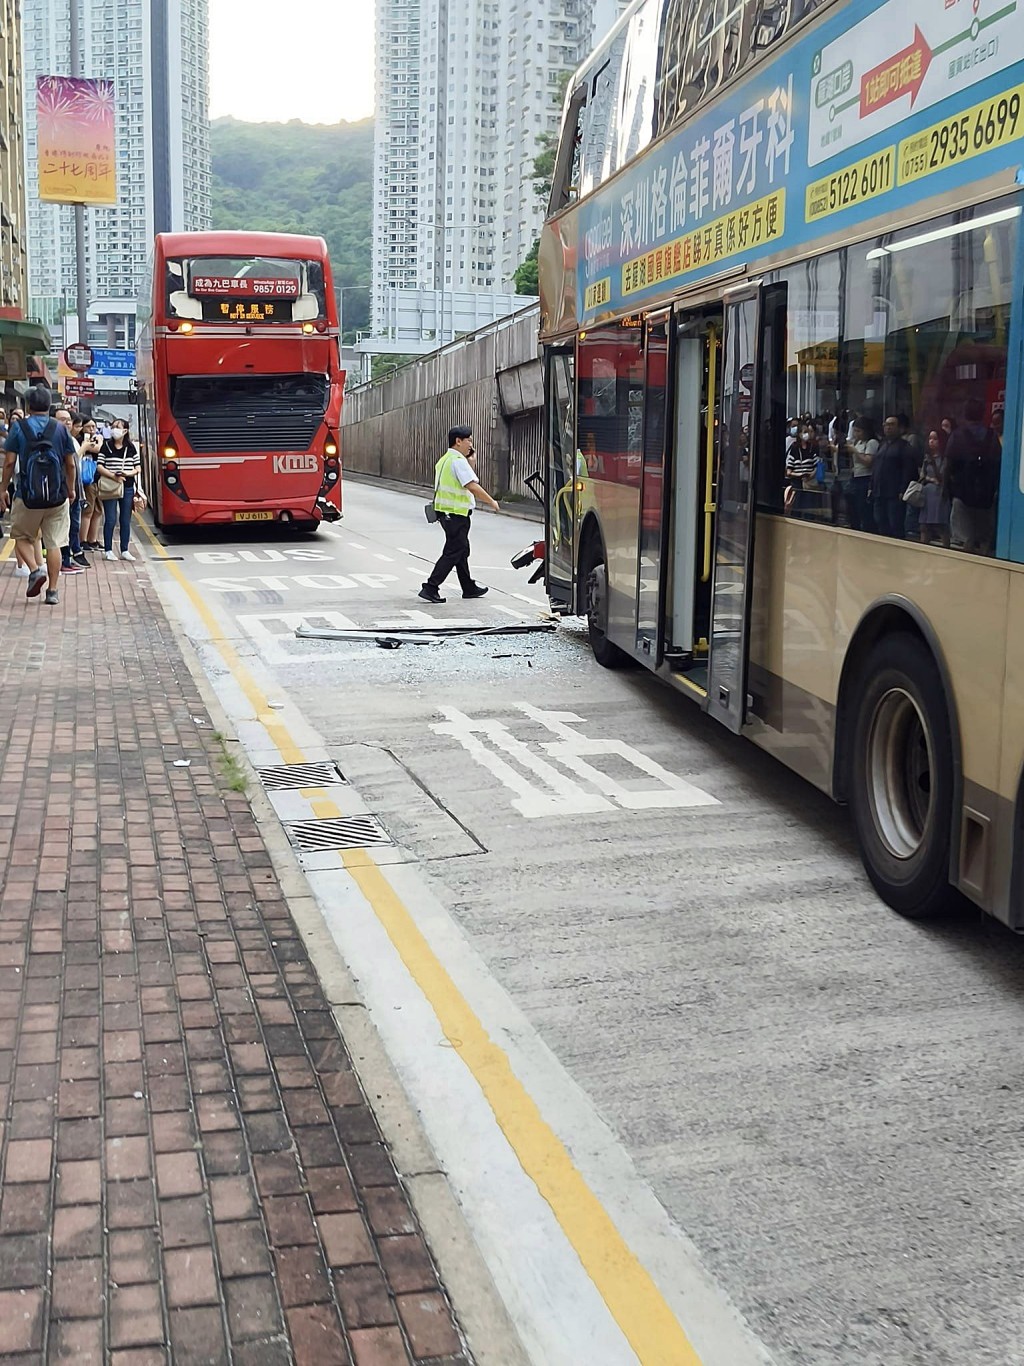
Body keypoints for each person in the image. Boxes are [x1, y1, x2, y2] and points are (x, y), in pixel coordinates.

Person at [1, 385, 78, 606]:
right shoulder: (60, 429)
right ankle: (53, 591)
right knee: (54, 543)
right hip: (57, 495)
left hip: (27, 495)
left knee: (21, 536)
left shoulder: (19, 428)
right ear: (49, 406)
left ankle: (35, 570)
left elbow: (9, 462)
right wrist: (70, 490)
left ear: (27, 405)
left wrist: (2, 488)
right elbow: (70, 464)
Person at [419, 425, 499, 603]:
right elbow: (471, 485)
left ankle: (468, 587)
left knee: (461, 550)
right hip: (456, 514)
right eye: (469, 440)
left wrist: (470, 461)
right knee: (454, 551)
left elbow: (460, 479)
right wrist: (491, 501)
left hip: (446, 513)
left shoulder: (446, 459)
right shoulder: (457, 461)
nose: (471, 443)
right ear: (458, 441)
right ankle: (431, 587)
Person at [945, 397, 1000, 555]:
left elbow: (948, 464)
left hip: (962, 494)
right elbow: (997, 463)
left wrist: (945, 489)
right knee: (984, 537)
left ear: (965, 414)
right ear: (983, 414)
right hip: (986, 495)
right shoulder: (991, 435)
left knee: (965, 537)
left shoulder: (957, 435)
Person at [97, 417, 141, 561]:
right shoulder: (106, 446)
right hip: (110, 487)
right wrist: (113, 476)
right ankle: (108, 550)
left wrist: (127, 474)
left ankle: (124, 550)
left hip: (127, 486)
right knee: (110, 519)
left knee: (125, 519)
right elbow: (100, 465)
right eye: (113, 426)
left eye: (118, 426)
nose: (114, 429)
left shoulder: (130, 447)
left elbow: (137, 467)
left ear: (125, 430)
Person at [55, 407, 90, 573]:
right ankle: (62, 561)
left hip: (75, 491)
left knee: (73, 527)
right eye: (62, 419)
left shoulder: (71, 439)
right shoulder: (57, 440)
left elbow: (75, 466)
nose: (67, 422)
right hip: (64, 492)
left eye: (68, 419)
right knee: (63, 528)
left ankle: (68, 559)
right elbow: (68, 465)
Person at [870, 415, 917, 538]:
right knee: (880, 521)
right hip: (879, 491)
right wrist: (871, 486)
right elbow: (875, 467)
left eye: (892, 424)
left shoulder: (904, 446)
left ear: (899, 428)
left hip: (894, 493)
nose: (888, 427)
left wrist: (903, 489)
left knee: (895, 524)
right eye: (886, 425)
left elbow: (908, 470)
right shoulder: (882, 444)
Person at [919, 430, 951, 548]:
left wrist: (933, 464)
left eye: (935, 439)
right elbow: (922, 475)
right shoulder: (927, 457)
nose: (931, 442)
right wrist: (928, 478)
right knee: (924, 526)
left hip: (939, 494)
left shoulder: (944, 459)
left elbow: (942, 477)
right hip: (927, 493)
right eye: (930, 439)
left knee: (941, 526)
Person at [846, 416, 878, 533]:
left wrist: (855, 451)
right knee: (853, 508)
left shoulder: (871, 443)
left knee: (863, 508)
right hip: (855, 476)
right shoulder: (858, 441)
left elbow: (868, 461)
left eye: (858, 431)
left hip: (865, 478)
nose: (856, 434)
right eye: (855, 431)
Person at [79, 418, 105, 550]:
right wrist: (97, 441)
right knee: (88, 510)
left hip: (98, 479)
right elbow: (98, 449)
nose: (92, 429)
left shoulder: (95, 439)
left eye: (94, 426)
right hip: (87, 480)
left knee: (98, 510)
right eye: (88, 426)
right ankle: (83, 540)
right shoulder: (82, 441)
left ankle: (92, 539)